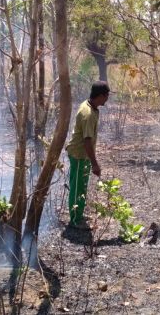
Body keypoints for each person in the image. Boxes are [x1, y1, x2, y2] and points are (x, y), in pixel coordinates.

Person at [65, 81, 110, 229]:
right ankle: (75, 220)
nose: (107, 99)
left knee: (82, 186)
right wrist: (95, 163)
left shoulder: (91, 106)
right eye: (106, 96)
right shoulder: (88, 114)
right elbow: (87, 141)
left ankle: (79, 214)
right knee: (77, 187)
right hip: (79, 155)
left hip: (83, 156)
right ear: (101, 96)